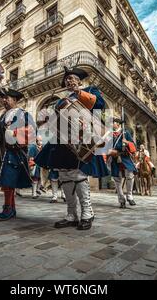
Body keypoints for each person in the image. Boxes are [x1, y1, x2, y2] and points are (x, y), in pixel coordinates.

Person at [35, 67, 109, 230]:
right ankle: (71, 214)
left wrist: (79, 92)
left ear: (79, 81)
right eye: (67, 79)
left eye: (72, 78)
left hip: (82, 138)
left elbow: (100, 105)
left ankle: (87, 213)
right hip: (61, 141)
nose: (69, 80)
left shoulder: (90, 90)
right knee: (64, 175)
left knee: (78, 174)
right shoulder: (63, 99)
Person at [0, 88, 36, 221]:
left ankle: (8, 208)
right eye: (3, 98)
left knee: (8, 181)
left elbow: (32, 131)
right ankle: (10, 208)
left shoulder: (23, 113)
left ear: (15, 100)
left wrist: (14, 134)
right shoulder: (2, 116)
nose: (4, 100)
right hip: (2, 151)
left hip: (14, 152)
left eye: (7, 98)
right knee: (7, 182)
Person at [107, 118, 137, 208]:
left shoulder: (125, 133)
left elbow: (133, 145)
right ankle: (121, 200)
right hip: (114, 157)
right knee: (117, 179)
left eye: (113, 123)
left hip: (125, 157)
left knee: (130, 175)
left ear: (118, 124)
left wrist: (127, 142)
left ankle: (129, 196)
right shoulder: (109, 135)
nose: (112, 125)